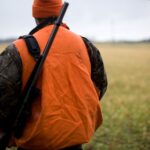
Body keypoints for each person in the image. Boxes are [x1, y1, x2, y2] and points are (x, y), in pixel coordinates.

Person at [0, 0, 107, 149]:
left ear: (35, 15)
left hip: (32, 144)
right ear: (60, 12)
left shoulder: (17, 50)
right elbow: (99, 86)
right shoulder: (85, 45)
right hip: (74, 143)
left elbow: (3, 96)